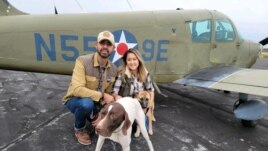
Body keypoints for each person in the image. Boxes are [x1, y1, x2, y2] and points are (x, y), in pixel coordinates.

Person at [62, 31, 118, 145]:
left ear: (113, 48)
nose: (105, 47)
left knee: (106, 124)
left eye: (109, 44)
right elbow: (77, 89)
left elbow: (109, 95)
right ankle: (79, 128)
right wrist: (102, 95)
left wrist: (102, 114)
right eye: (102, 43)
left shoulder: (113, 69)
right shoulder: (82, 61)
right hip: (76, 99)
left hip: (96, 103)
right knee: (86, 104)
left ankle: (93, 116)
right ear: (96, 45)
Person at [112, 48, 155, 129]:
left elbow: (151, 90)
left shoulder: (145, 73)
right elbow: (114, 92)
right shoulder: (122, 74)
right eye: (129, 60)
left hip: (141, 105)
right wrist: (117, 97)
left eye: (134, 59)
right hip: (127, 106)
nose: (132, 62)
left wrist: (151, 102)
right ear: (126, 62)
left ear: (139, 60)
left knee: (142, 127)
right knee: (127, 126)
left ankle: (146, 116)